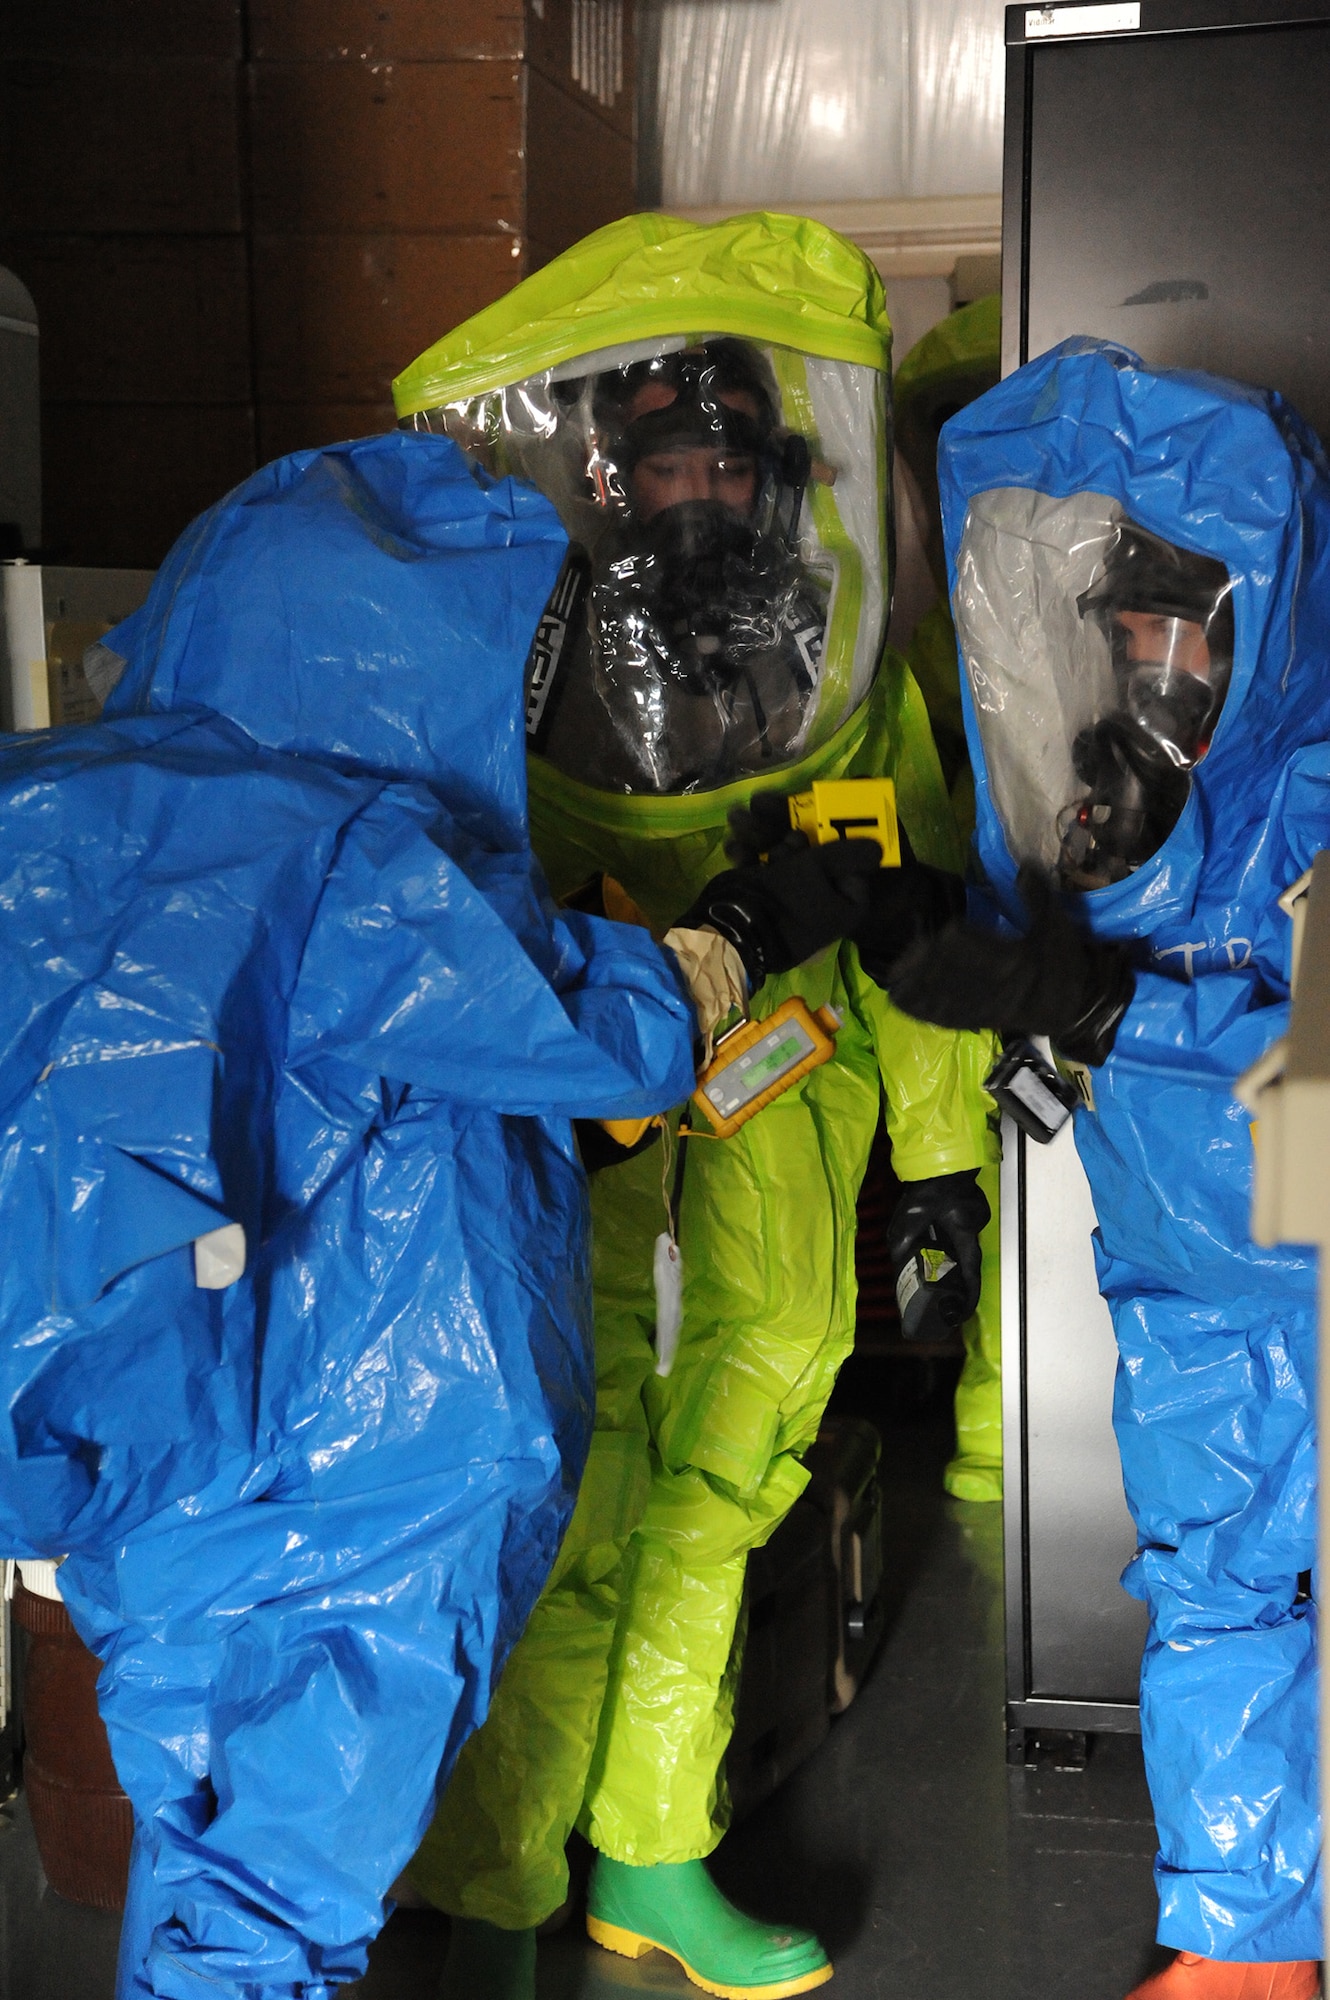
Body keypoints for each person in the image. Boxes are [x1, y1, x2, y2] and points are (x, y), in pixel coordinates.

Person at [0, 431, 711, 1999]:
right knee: (280, 1888)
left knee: (199, 1830)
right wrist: (724, 943)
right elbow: (619, 1036)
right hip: (354, 1475)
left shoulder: (55, 795)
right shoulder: (360, 862)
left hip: (144, 1460)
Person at [392, 210, 1000, 2000]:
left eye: (735, 457)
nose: (705, 490)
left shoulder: (838, 665)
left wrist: (948, 1167)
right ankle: (497, 1881)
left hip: (789, 1092)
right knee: (565, 1470)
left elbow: (917, 903)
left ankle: (652, 1854)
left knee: (736, 1461)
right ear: (605, 469)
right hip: (585, 1093)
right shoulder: (517, 656)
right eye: (669, 455)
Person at [885, 336, 1330, 2000]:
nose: (1143, 670)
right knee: (1216, 1584)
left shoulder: (1313, 790)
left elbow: (1316, 1146)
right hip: (1185, 1280)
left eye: (1178, 632)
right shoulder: (1114, 810)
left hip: (1281, 1279)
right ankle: (1240, 1945)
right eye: (1118, 630)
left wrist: (1088, 1002)